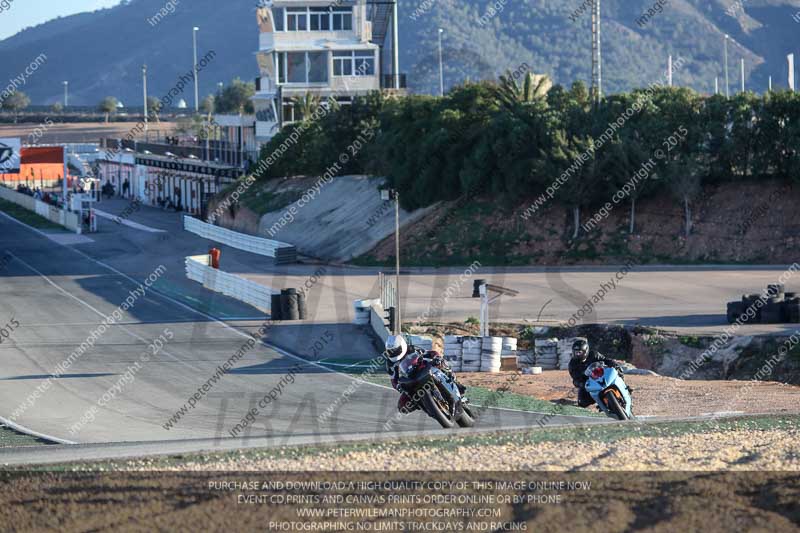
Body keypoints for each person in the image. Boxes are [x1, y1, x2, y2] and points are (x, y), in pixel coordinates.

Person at [383, 335, 465, 414]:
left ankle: (455, 382)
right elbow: (393, 380)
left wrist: (436, 358)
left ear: (402, 346)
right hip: (410, 380)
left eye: (396, 350)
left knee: (441, 363)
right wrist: (398, 387)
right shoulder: (390, 363)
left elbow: (430, 353)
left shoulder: (411, 348)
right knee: (402, 406)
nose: (394, 353)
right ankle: (425, 406)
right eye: (391, 351)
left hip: (422, 368)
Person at [568, 338, 624, 408]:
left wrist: (613, 363)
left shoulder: (594, 354)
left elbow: (605, 360)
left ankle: (624, 387)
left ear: (585, 351)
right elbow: (575, 379)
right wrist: (582, 384)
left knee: (618, 370)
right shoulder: (572, 364)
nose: (578, 354)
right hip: (589, 383)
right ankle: (600, 402)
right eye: (576, 352)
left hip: (602, 374)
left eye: (580, 352)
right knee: (582, 402)